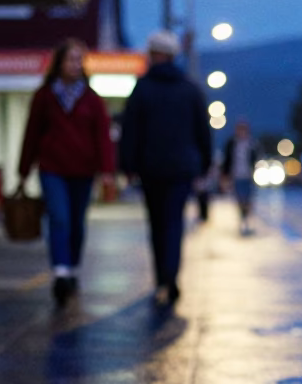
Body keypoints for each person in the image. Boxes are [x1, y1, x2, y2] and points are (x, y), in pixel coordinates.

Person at [117, 29, 212, 306]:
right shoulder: (190, 89)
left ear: (155, 55)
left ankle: (161, 277)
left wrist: (128, 166)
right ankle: (170, 276)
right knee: (173, 223)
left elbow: (130, 130)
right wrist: (203, 163)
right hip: (182, 168)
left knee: (156, 224)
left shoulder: (142, 88)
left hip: (151, 168)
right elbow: (202, 131)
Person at [17, 38, 115, 306]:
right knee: (59, 217)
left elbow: (102, 137)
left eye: (78, 60)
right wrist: (24, 169)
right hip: (52, 168)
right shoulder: (45, 96)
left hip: (83, 169)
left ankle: (71, 266)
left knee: (76, 222)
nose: (74, 65)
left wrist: (107, 172)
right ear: (58, 63)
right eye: (70, 59)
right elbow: (32, 132)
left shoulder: (92, 99)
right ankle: (60, 270)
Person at [222, 119, 262, 235]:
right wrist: (225, 176)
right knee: (240, 200)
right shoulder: (232, 144)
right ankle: (242, 221)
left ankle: (247, 221)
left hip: (249, 176)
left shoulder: (252, 143)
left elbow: (257, 157)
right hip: (236, 176)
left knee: (248, 200)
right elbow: (227, 161)